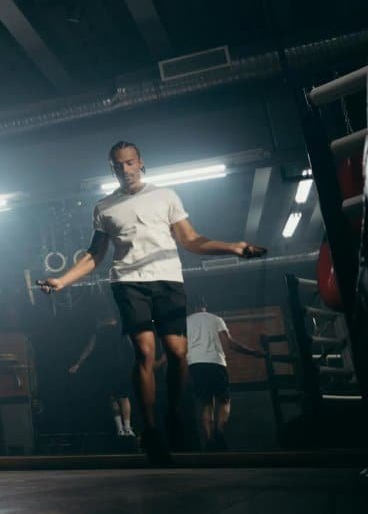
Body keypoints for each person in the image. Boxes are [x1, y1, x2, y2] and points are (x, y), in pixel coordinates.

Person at [38, 141, 265, 464]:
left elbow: (191, 240)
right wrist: (61, 280)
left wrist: (233, 247)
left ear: (141, 163)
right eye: (118, 165)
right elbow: (95, 255)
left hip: (168, 280)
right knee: (144, 350)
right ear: (112, 169)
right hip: (129, 283)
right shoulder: (104, 207)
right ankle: (152, 430)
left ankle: (173, 412)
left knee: (177, 353)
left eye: (130, 163)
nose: (125, 170)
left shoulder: (165, 196)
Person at [187, 295, 265, 451]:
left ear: (191, 306)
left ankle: (209, 441)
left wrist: (159, 363)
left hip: (195, 364)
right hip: (215, 362)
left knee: (206, 403)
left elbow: (179, 346)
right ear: (205, 304)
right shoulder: (216, 319)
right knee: (224, 401)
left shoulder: (186, 322)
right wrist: (253, 352)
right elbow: (230, 344)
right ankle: (219, 431)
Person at [68, 304, 135, 439]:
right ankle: (127, 428)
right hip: (120, 366)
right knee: (124, 397)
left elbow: (88, 349)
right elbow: (131, 347)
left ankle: (120, 428)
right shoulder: (120, 329)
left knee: (113, 398)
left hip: (107, 367)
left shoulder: (99, 331)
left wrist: (77, 364)